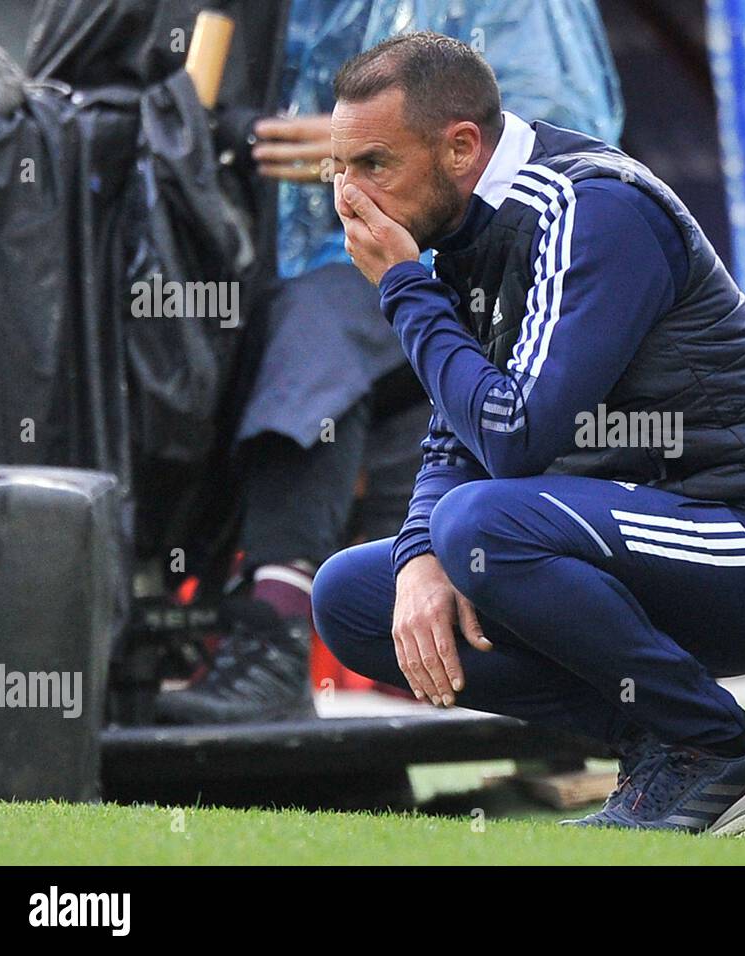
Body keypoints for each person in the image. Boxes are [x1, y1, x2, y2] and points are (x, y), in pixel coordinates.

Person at [312, 33, 745, 834]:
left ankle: (719, 747)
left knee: (483, 526)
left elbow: (514, 438)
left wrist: (403, 286)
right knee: (357, 598)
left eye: (372, 165)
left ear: (460, 148)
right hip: (631, 538)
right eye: (338, 168)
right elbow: (454, 433)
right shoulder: (464, 228)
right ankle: (664, 747)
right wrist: (417, 554)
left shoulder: (590, 207)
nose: (348, 199)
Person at [155, 0, 623, 724]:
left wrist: (370, 157)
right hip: (294, 276)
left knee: (317, 353)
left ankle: (272, 638)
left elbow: (565, 134)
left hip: (474, 267)